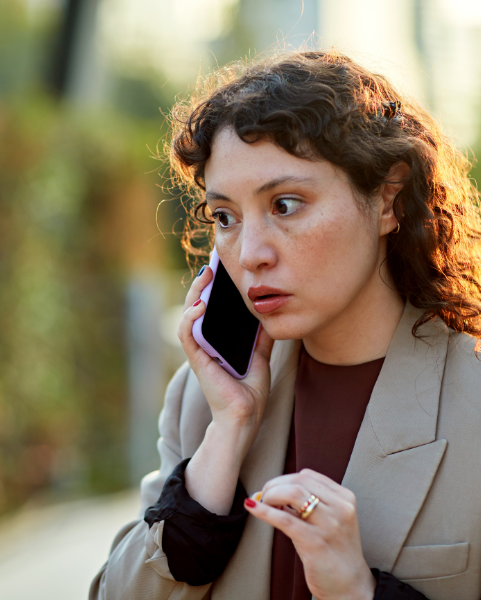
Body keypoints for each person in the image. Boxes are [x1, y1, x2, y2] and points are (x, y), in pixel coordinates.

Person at [89, 50, 481, 600]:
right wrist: (229, 432)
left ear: (389, 199)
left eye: (286, 204)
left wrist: (358, 593)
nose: (249, 254)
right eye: (224, 217)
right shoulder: (203, 399)